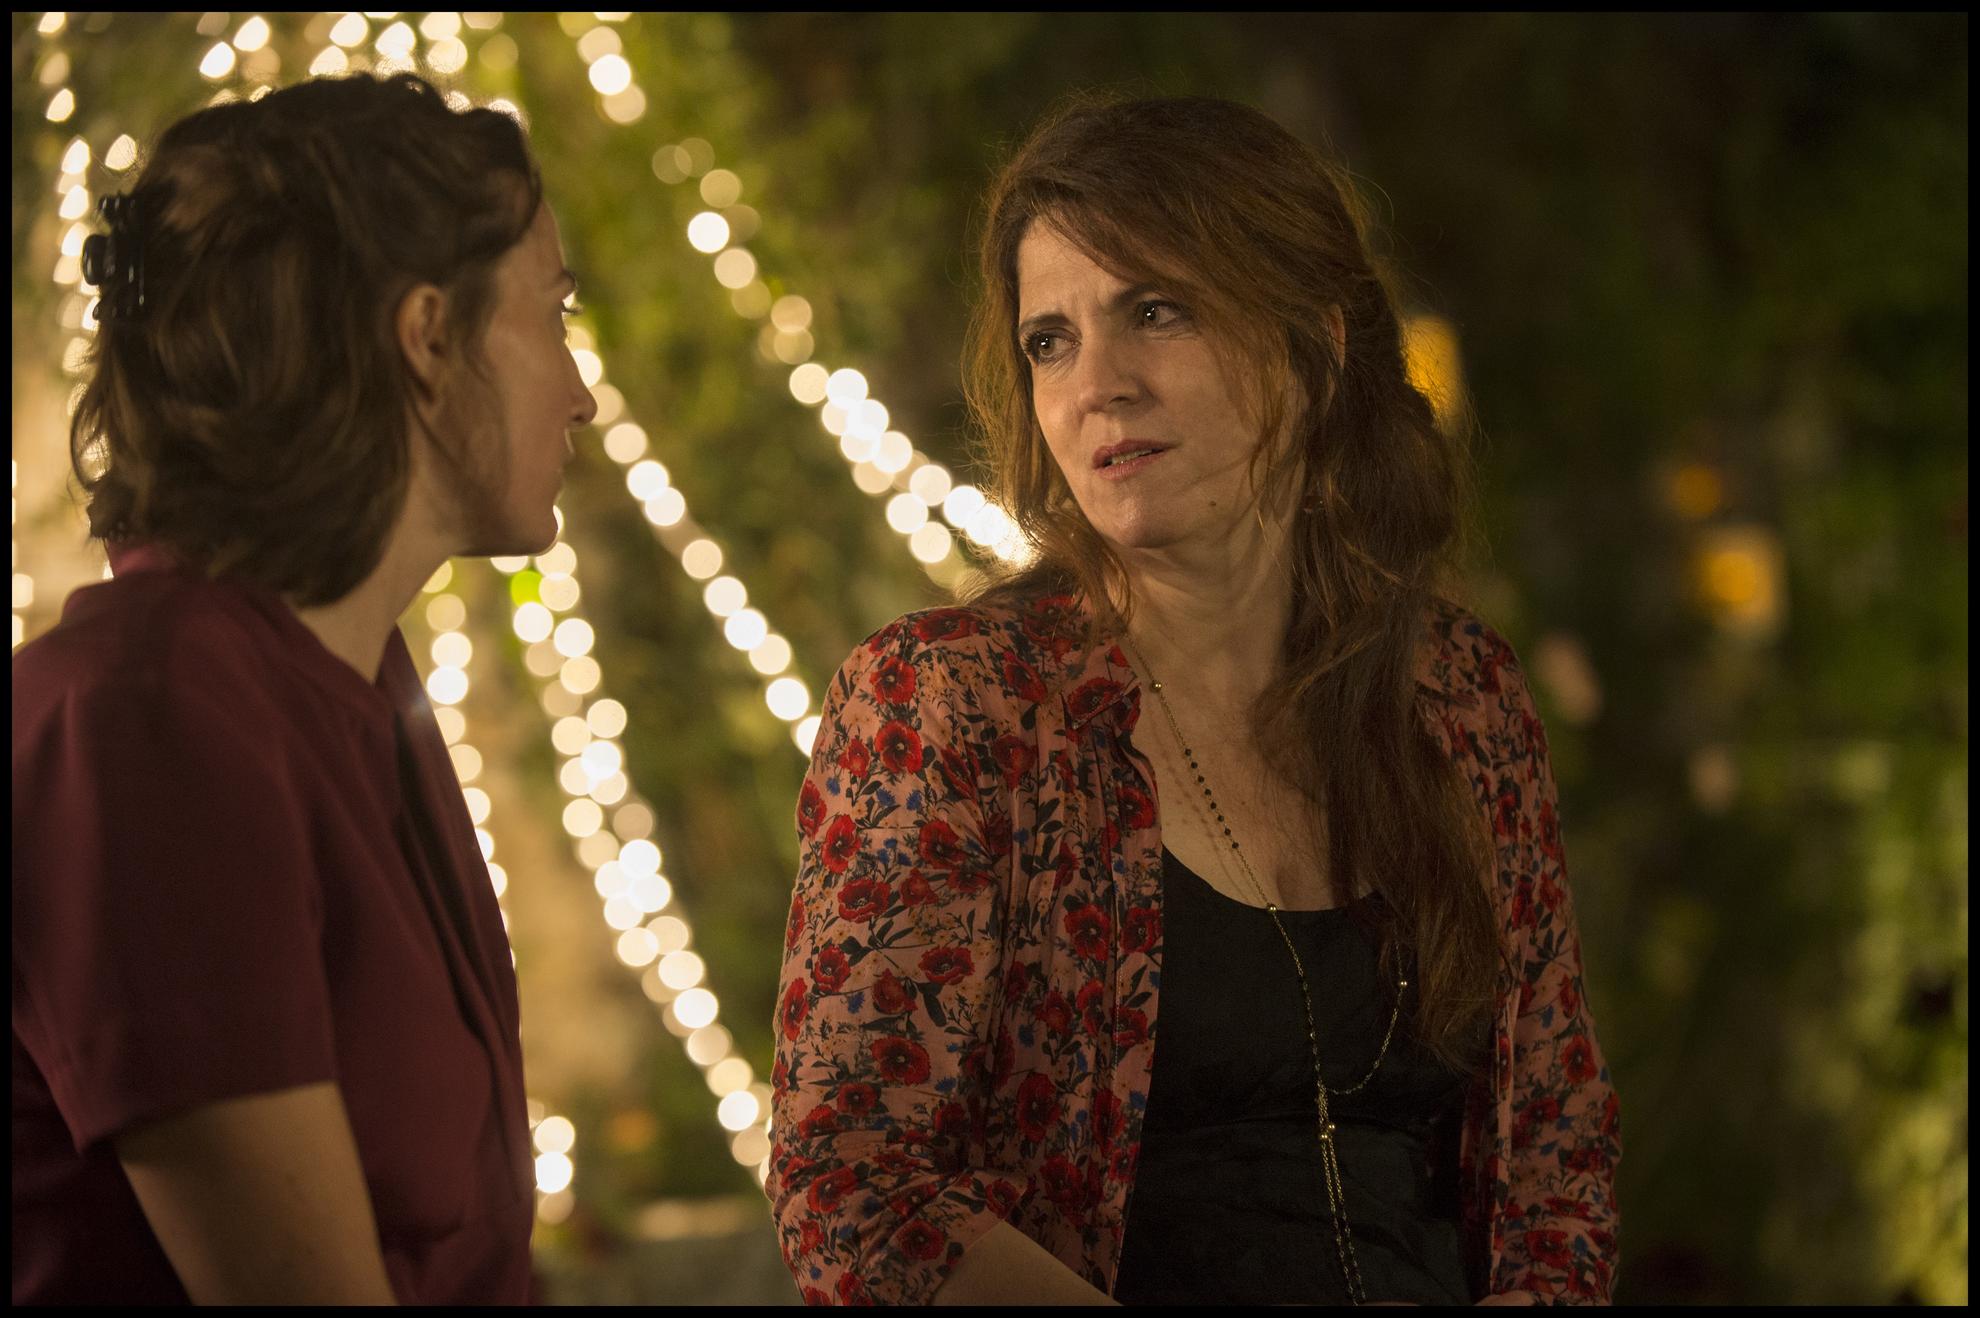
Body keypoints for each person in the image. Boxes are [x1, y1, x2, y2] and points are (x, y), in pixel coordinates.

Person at [767, 95, 1619, 1306]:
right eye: (1049, 340)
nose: (1097, 386)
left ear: (1316, 343)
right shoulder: (957, 703)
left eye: (1155, 311)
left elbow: (1556, 1168)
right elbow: (856, 1186)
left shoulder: (1459, 697)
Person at [12, 73, 596, 1304]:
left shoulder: (360, 685)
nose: (581, 393)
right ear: (427, 337)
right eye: (552, 315)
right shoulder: (146, 722)